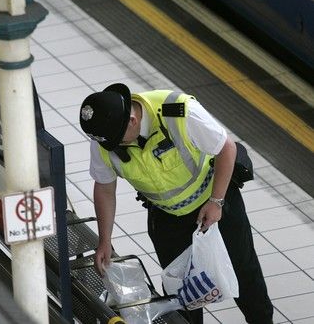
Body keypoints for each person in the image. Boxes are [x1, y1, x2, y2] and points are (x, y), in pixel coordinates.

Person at [79, 83, 274, 324]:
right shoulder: (106, 136)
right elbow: (105, 187)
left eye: (117, 141)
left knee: (243, 271)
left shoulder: (179, 112)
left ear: (131, 120)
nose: (113, 148)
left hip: (215, 202)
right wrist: (104, 240)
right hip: (167, 215)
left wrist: (216, 201)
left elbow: (226, 148)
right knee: (180, 291)